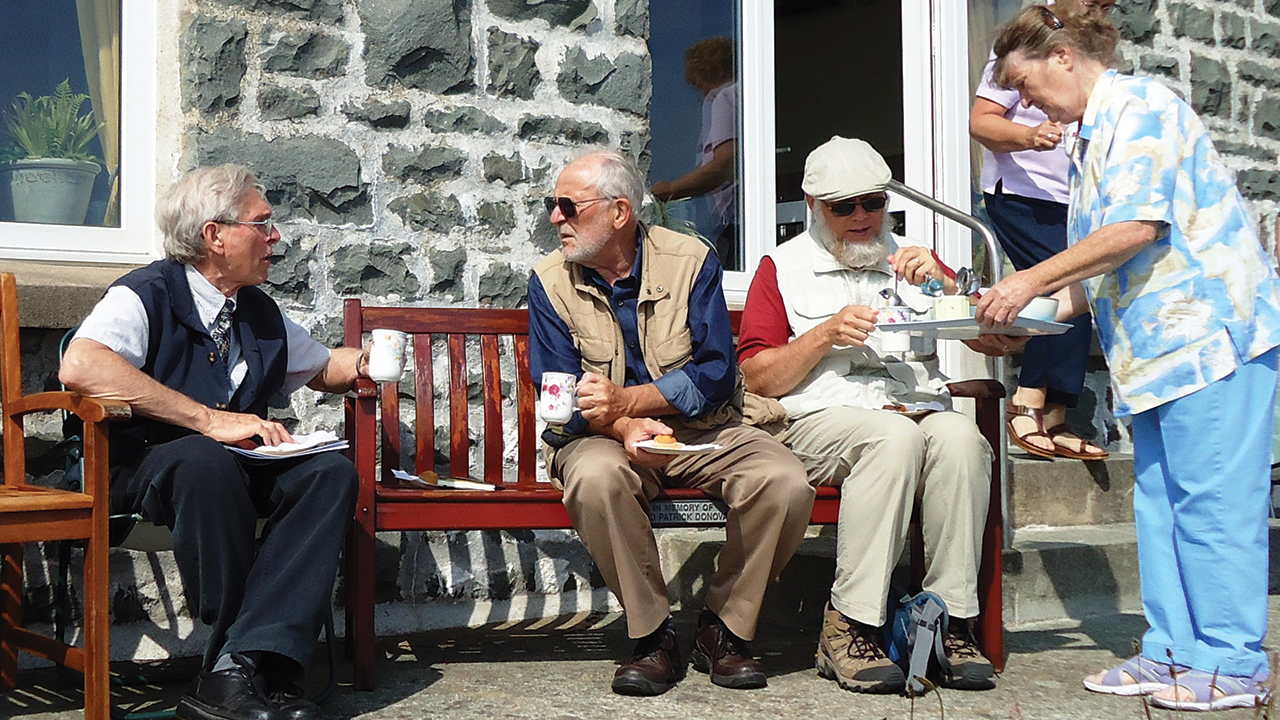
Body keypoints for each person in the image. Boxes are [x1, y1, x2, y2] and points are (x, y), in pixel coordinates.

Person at [979, 6, 1280, 711]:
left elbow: (1136, 228)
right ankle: (1174, 651)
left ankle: (1234, 663)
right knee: (1161, 508)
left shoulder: (1143, 106)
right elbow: (1094, 281)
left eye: (1025, 85)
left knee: (1213, 507)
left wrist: (1030, 277)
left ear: (1062, 57)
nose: (1026, 104)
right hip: (1154, 358)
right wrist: (1021, 326)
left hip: (1211, 342)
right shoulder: (1088, 143)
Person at [60, 165, 364, 720]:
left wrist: (372, 360)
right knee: (205, 458)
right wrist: (207, 419)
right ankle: (236, 668)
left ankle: (248, 664)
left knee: (329, 473)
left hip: (230, 467)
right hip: (144, 468)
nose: (276, 239)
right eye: (263, 224)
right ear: (214, 235)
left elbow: (324, 367)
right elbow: (82, 365)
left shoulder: (255, 309)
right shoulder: (146, 292)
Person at [737, 136, 1023, 695]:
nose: (862, 217)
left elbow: (1002, 342)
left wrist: (947, 286)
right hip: (820, 420)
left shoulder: (916, 259)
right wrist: (821, 337)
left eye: (873, 202)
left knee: (961, 439)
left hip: (915, 409)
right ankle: (850, 624)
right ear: (812, 204)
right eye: (845, 207)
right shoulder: (782, 267)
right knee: (892, 438)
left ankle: (947, 621)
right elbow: (756, 377)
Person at [529, 149, 815, 697]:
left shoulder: (690, 260)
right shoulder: (548, 282)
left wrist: (630, 403)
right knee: (595, 479)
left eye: (567, 206)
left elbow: (714, 374)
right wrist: (620, 426)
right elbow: (557, 398)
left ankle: (724, 628)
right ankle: (653, 634)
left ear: (619, 212)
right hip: (601, 436)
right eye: (553, 205)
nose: (554, 218)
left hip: (701, 425)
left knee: (784, 481)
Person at [969, 0, 1115, 461]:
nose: (1102, 7)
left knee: (1080, 295)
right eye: (1094, 0)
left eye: (1110, 3)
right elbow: (981, 122)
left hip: (1071, 199)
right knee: (1063, 285)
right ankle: (1026, 403)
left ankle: (1054, 415)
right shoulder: (1024, 48)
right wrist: (1030, 137)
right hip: (1020, 195)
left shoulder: (1084, 49)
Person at [650, 36, 740, 270]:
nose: (701, 94)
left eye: (699, 85)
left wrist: (672, 190)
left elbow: (724, 165)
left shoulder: (723, 98)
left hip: (737, 220)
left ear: (718, 71)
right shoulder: (745, 95)